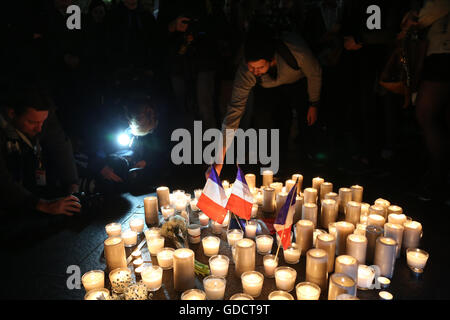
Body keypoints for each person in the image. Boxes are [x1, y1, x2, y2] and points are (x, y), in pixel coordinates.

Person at [211, 26, 322, 176]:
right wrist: (219, 158)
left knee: (301, 120)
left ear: (272, 59)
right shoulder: (246, 72)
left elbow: (314, 73)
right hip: (267, 88)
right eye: (252, 67)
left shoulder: (296, 51)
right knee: (264, 121)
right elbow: (234, 112)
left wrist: (313, 103)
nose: (255, 71)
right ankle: (271, 168)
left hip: (298, 82)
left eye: (260, 67)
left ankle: (308, 165)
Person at [0, 83, 81, 217]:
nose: (39, 129)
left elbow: (60, 146)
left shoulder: (43, 116)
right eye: (32, 122)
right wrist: (42, 205)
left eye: (42, 122)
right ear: (12, 113)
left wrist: (73, 184)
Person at [403, 0, 450, 201]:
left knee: (426, 113)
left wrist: (414, 19)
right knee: (439, 116)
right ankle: (438, 178)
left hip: (443, 52)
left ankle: (439, 179)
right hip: (439, 49)